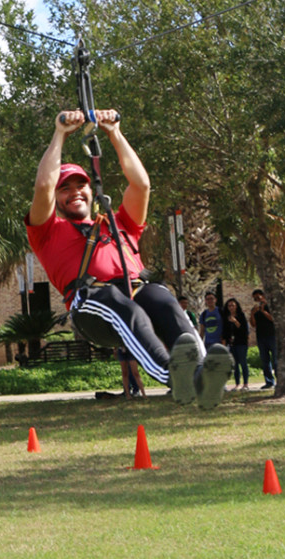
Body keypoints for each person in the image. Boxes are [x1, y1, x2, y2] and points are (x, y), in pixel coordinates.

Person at [25, 109, 232, 409]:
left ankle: (201, 374)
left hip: (135, 293)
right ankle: (176, 377)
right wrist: (59, 133)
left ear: (91, 191)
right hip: (92, 305)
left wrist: (115, 133)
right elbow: (43, 186)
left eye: (80, 186)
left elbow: (141, 186)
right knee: (117, 303)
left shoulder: (119, 222)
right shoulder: (47, 232)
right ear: (57, 199)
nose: (75, 193)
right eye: (65, 189)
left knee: (162, 299)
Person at [251, 289, 277, 390]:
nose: (257, 300)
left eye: (258, 297)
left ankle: (280, 381)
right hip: (261, 337)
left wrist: (263, 311)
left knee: (276, 360)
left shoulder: (270, 306)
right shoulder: (255, 309)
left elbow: (273, 319)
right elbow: (253, 324)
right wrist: (253, 314)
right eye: (255, 298)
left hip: (272, 336)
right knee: (265, 360)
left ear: (263, 296)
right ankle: (269, 382)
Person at [223, 298, 250, 391]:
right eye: (229, 305)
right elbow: (225, 331)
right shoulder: (226, 317)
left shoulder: (241, 316)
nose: (231, 307)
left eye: (233, 305)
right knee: (235, 364)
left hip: (241, 343)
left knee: (243, 363)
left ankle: (245, 384)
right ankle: (237, 384)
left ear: (236, 306)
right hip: (232, 343)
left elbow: (244, 329)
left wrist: (235, 321)